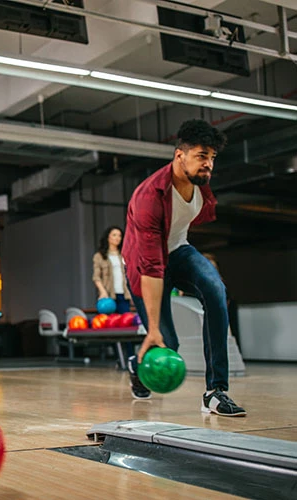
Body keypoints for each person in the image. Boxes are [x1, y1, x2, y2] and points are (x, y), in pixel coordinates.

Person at [122, 119, 246, 417]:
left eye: (212, 158)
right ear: (180, 156)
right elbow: (152, 266)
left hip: (179, 250)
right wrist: (152, 329)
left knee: (216, 292)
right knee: (169, 342)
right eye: (202, 156)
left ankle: (216, 391)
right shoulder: (148, 198)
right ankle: (138, 365)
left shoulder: (198, 182)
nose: (209, 165)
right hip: (144, 263)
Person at [92, 226, 134, 360]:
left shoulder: (124, 254)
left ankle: (130, 357)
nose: (117, 238)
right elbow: (96, 277)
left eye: (119, 235)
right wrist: (102, 292)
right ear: (108, 237)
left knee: (127, 326)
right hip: (109, 297)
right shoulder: (99, 256)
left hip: (124, 295)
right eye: (114, 235)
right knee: (112, 328)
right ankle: (118, 358)